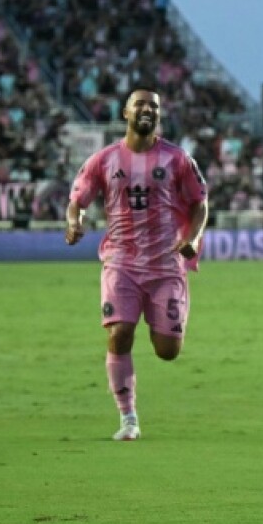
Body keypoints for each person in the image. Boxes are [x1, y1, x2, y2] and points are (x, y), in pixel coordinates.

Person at [65, 88, 209, 441]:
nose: (147, 109)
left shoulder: (177, 160)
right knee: (119, 333)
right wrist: (74, 220)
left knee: (167, 351)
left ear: (159, 116)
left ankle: (159, 317)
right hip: (121, 262)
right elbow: (78, 197)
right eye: (140, 104)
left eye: (154, 106)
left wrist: (191, 239)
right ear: (126, 113)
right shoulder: (104, 160)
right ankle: (128, 418)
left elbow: (200, 203)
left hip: (165, 265)